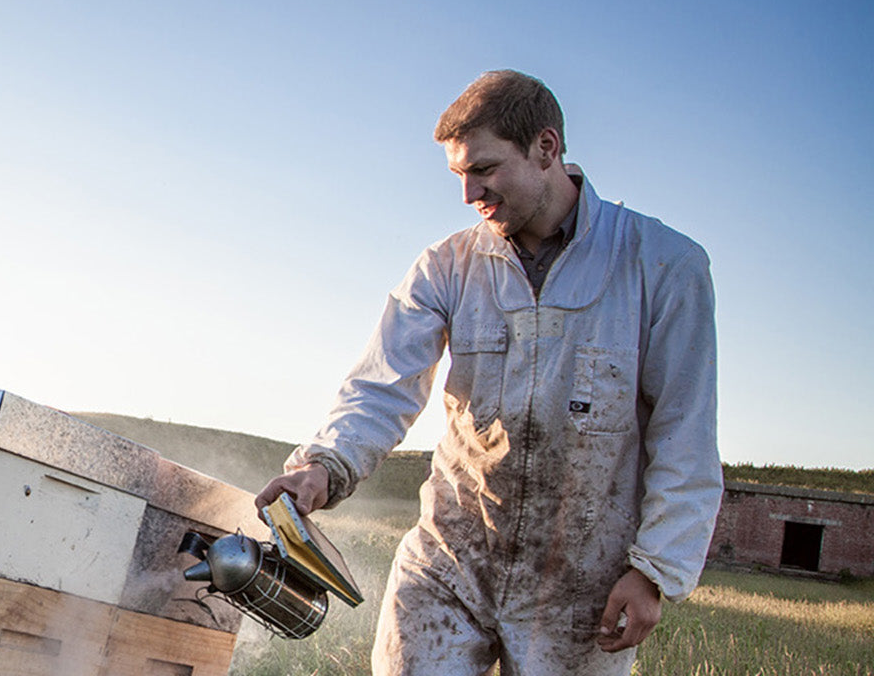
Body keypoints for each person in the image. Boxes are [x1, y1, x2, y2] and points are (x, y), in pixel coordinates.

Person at [256, 70, 721, 675]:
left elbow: (684, 432)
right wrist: (323, 466)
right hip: (452, 559)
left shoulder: (662, 265)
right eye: (460, 175)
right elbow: (382, 385)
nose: (470, 192)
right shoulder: (446, 266)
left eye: (485, 169)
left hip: (581, 581)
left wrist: (654, 570)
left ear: (547, 149)